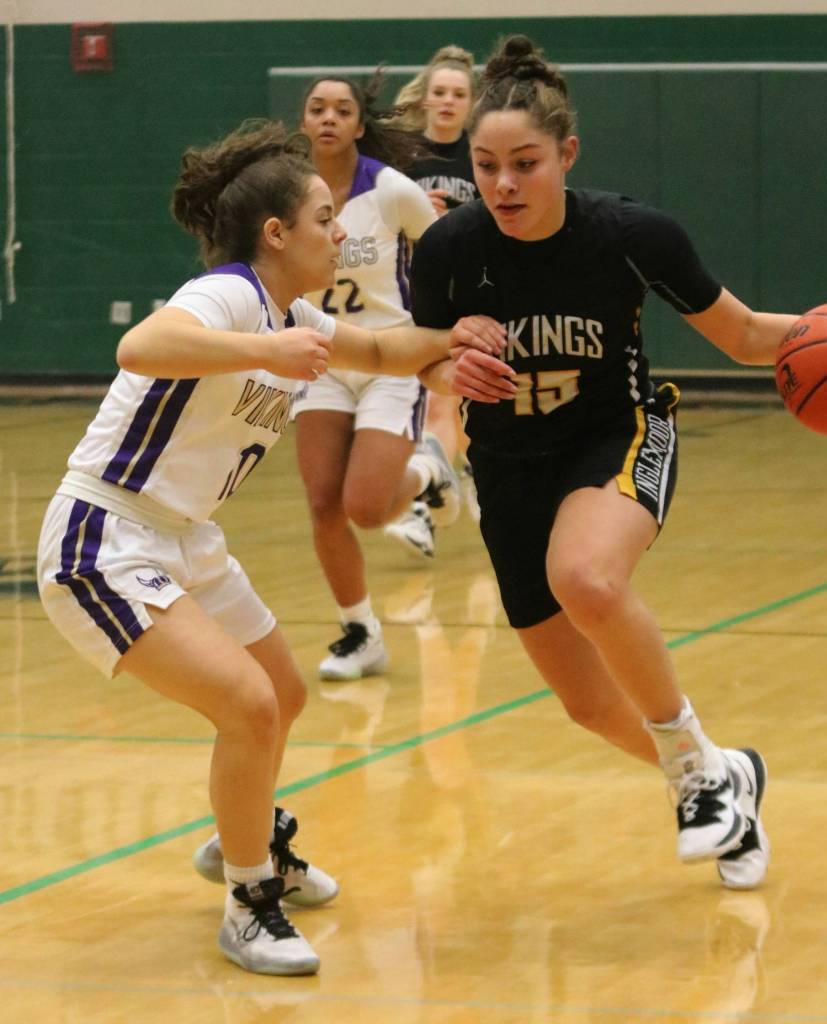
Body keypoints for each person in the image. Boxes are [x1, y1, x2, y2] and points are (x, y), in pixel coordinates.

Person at [410, 36, 827, 888]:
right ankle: (723, 775)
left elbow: (747, 334)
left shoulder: (630, 234)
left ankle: (697, 778)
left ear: (567, 155)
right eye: (486, 164)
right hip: (509, 470)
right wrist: (443, 364)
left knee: (588, 578)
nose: (503, 184)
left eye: (525, 164)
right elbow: (418, 354)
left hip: (619, 433)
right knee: (586, 705)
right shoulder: (450, 249)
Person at [35, 120, 505, 976]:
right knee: (248, 705)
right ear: (276, 233)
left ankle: (241, 837)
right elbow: (137, 347)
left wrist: (453, 344)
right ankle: (249, 901)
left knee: (281, 696)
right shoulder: (230, 297)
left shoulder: (297, 313)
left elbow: (383, 347)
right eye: (325, 218)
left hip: (187, 538)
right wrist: (265, 348)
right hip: (105, 536)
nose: (341, 232)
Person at [293, 72, 460, 681]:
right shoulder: (289, 194)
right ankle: (361, 632)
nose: (329, 118)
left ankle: (426, 471)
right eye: (318, 109)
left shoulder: (391, 190)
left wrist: (441, 338)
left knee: (365, 508)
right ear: (305, 122)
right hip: (323, 358)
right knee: (321, 501)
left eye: (342, 109)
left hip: (391, 359)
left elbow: (449, 254)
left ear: (360, 125)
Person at [385, 45, 481, 548]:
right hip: (408, 293)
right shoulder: (402, 156)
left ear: (471, 102)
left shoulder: (482, 153)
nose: (447, 102)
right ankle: (455, 470)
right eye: (440, 92)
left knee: (447, 401)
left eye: (458, 94)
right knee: (430, 406)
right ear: (425, 98)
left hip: (469, 293)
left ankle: (423, 506)